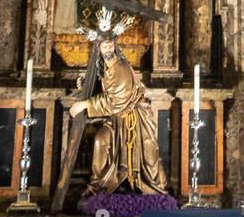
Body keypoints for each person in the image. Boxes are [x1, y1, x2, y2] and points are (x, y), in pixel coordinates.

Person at [68, 37, 169, 195]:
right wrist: (86, 88)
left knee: (147, 158)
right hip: (115, 119)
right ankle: (98, 185)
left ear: (115, 47)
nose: (108, 50)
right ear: (99, 50)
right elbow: (107, 92)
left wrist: (85, 104)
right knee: (100, 141)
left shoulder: (121, 68)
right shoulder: (104, 68)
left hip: (133, 119)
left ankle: (142, 185)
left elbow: (117, 100)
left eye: (110, 46)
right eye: (104, 47)